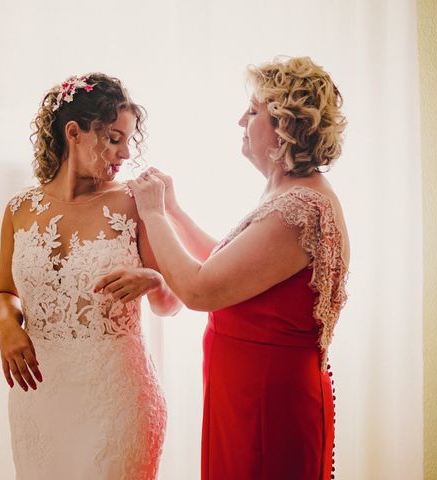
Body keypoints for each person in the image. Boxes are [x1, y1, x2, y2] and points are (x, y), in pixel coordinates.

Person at [98, 57, 349, 480]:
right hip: (246, 391)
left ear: (286, 127)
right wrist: (174, 209)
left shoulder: (301, 209)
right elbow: (227, 267)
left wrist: (156, 215)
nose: (241, 121)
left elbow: (200, 291)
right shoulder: (289, 194)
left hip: (267, 402)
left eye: (253, 112)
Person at [0, 73, 181, 480]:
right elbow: (4, 292)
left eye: (129, 139)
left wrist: (154, 279)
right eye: (114, 138)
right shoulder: (18, 209)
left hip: (117, 401)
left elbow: (171, 303)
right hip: (40, 398)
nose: (125, 152)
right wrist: (6, 324)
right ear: (73, 133)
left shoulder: (135, 202)